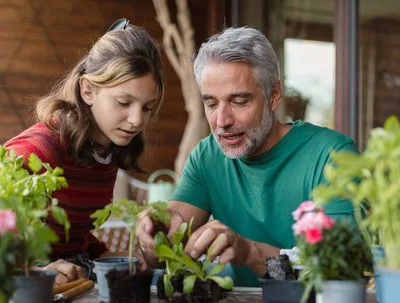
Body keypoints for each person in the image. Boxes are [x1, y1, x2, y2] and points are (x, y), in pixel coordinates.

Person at [136, 27, 358, 287]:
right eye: (211, 103)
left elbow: (341, 270)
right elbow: (162, 254)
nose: (222, 121)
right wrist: (153, 236)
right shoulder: (207, 156)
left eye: (239, 101)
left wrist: (249, 253)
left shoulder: (332, 157)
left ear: (273, 96)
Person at [3, 19, 165, 285]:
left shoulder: (108, 150)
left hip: (71, 273)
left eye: (147, 107)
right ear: (88, 91)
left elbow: (74, 235)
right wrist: (34, 271)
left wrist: (105, 254)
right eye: (124, 102)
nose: (137, 120)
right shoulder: (44, 147)